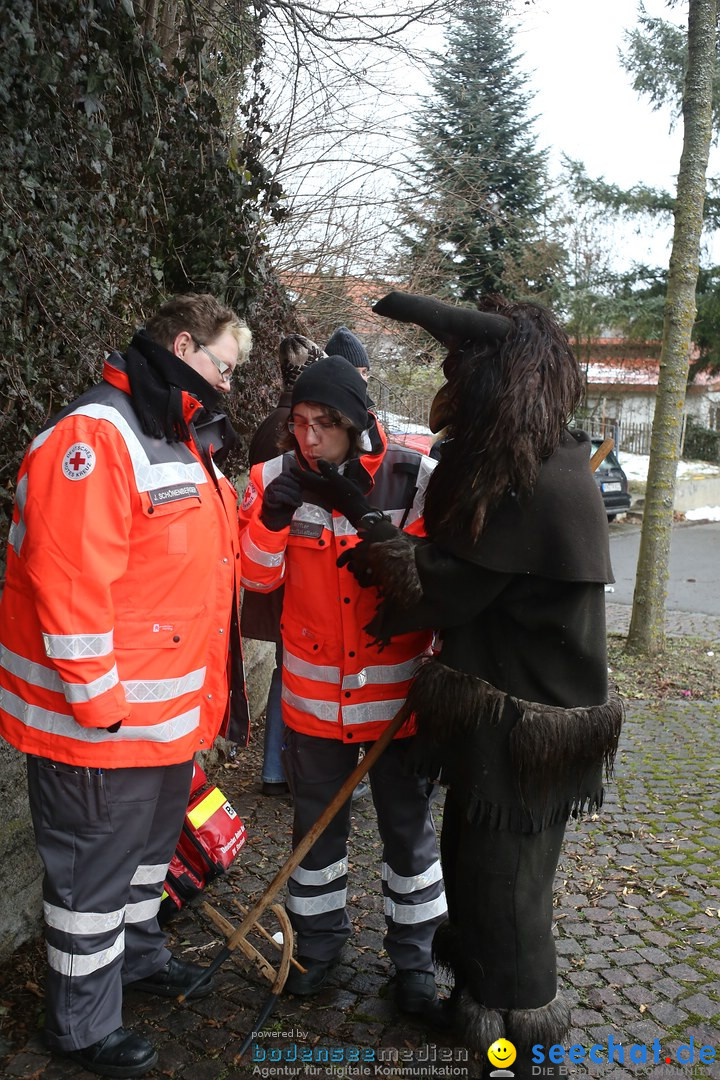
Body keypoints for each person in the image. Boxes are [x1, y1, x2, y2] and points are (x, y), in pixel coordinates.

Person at [317, 292, 624, 1077]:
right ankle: (479, 1006)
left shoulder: (537, 482)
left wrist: (367, 521)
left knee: (507, 894)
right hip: (505, 723)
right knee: (476, 873)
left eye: (460, 371)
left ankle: (515, 1050)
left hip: (529, 731)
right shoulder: (525, 464)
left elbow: (441, 586)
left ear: (500, 381)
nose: (447, 389)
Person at [0, 293, 251, 1079]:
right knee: (90, 886)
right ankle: (77, 1027)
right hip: (97, 732)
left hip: (157, 727)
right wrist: (101, 708)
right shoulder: (96, 437)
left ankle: (139, 959)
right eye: (224, 367)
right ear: (184, 345)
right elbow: (68, 580)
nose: (230, 388)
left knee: (145, 865)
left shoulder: (173, 435)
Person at [237, 355, 446, 1016]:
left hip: (397, 708)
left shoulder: (416, 478)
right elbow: (255, 580)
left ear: (357, 423)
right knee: (314, 841)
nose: (307, 438)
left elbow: (425, 586)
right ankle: (316, 949)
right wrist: (272, 517)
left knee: (409, 839)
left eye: (324, 424)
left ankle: (415, 964)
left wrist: (359, 512)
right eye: (299, 422)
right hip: (312, 705)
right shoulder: (271, 478)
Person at [241, 334, 324, 796]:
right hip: (290, 566)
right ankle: (286, 767)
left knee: (284, 666)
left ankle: (278, 766)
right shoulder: (295, 431)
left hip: (273, 564)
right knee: (294, 669)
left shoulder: (269, 424)